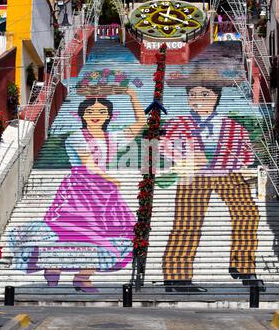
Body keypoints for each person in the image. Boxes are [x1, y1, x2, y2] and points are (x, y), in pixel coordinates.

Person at [161, 69, 260, 292]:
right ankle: (177, 276)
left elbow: (246, 153)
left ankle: (243, 266)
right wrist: (183, 156)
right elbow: (164, 145)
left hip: (227, 174)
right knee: (187, 222)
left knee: (248, 213)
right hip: (193, 175)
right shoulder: (179, 123)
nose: (198, 99)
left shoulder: (233, 126)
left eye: (204, 94)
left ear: (216, 97)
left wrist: (242, 167)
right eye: (193, 94)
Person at [38, 88, 146, 292]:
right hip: (81, 188)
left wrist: (132, 95)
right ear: (81, 115)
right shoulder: (77, 136)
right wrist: (109, 178)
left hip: (104, 192)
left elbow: (140, 124)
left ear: (109, 116)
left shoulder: (111, 137)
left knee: (110, 232)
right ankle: (53, 266)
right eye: (90, 112)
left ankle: (83, 276)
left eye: (101, 112)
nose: (96, 116)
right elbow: (88, 165)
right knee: (76, 231)